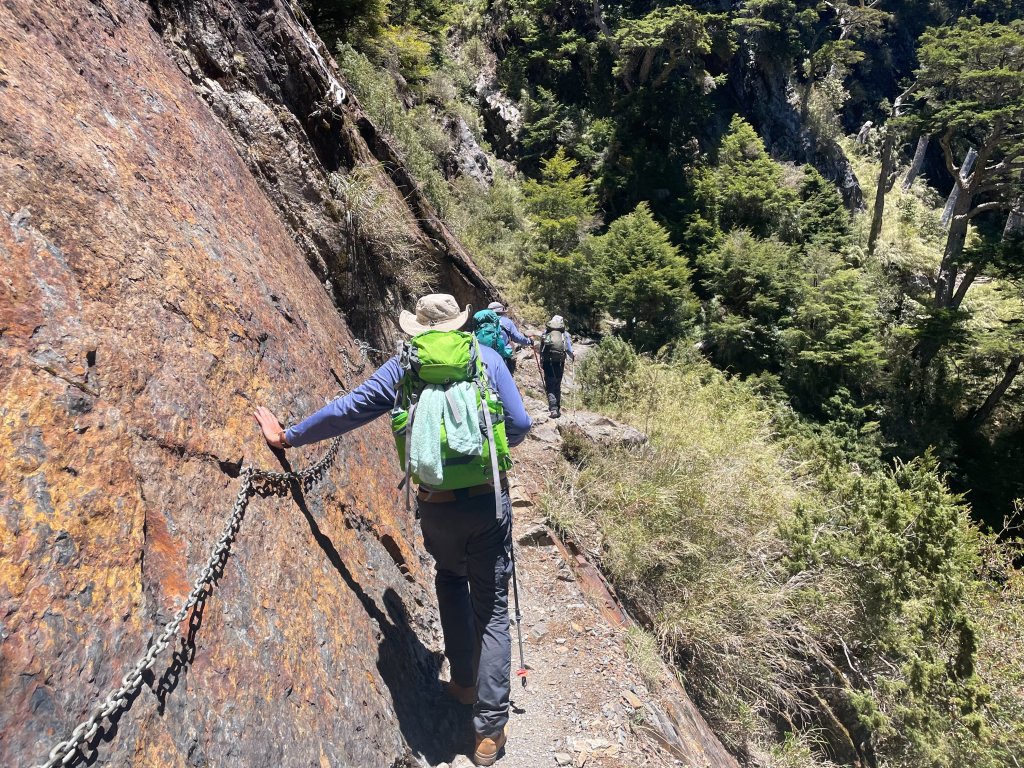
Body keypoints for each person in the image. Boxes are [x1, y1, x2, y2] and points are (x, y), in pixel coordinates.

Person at [254, 294, 532, 766]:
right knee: (494, 611)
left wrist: (290, 435)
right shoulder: (485, 358)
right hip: (487, 503)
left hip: (437, 506)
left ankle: (464, 684)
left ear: (418, 328)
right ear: (459, 323)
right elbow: (521, 423)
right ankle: (489, 733)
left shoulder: (404, 365)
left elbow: (351, 408)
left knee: (449, 578)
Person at [539, 315, 574, 419]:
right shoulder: (565, 334)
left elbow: (541, 348)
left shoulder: (546, 332)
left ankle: (553, 408)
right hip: (559, 361)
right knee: (557, 384)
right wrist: (572, 356)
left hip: (547, 361)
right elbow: (569, 349)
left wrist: (541, 360)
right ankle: (557, 408)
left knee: (550, 384)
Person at [488, 302, 533, 374]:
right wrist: (528, 341)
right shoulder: (506, 322)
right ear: (501, 311)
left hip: (486, 356)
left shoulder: (484, 322)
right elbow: (516, 337)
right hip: (502, 356)